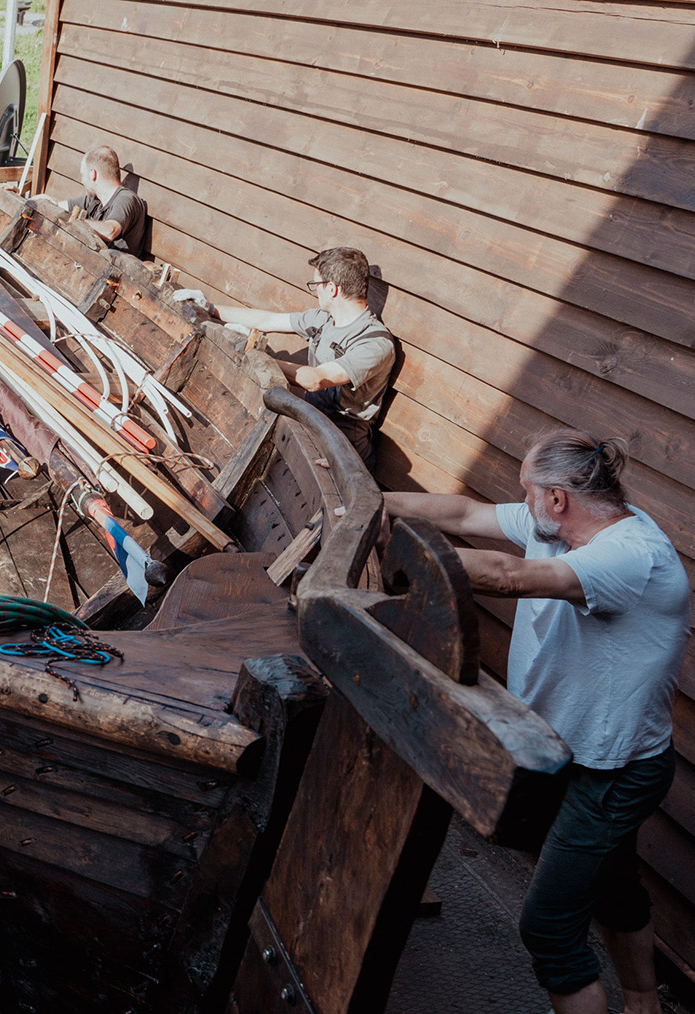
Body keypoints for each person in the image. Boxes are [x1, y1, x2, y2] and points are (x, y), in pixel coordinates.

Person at [384, 430, 689, 1014]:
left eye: (528, 494)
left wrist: (401, 548)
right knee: (615, 889)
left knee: (549, 929)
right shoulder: (561, 524)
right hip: (573, 753)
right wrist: (381, 505)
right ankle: (645, 1004)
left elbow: (509, 576)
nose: (520, 505)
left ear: (557, 499)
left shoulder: (628, 556)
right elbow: (465, 512)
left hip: (614, 771)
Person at [175, 247, 393, 470]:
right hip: (311, 423)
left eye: (316, 285)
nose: (314, 291)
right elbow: (267, 320)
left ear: (332, 289)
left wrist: (253, 354)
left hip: (346, 446)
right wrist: (210, 308)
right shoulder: (324, 319)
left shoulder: (375, 344)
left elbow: (316, 379)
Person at [36, 146, 147, 257]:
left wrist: (75, 220)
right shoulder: (94, 200)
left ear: (92, 174)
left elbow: (110, 231)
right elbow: (59, 206)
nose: (82, 180)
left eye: (83, 174)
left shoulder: (126, 199)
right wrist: (43, 201)